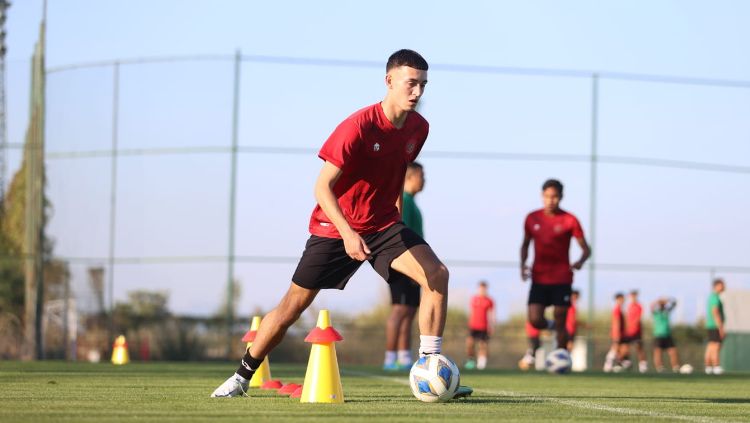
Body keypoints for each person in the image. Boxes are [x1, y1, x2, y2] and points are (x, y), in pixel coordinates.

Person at [210, 49, 471, 398]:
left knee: (437, 275)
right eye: (411, 83)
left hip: (383, 227)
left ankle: (430, 366)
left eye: (424, 85)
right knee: (292, 307)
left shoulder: (418, 128)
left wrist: (396, 222)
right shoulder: (357, 127)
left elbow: (394, 176)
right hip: (335, 229)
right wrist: (348, 233)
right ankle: (241, 377)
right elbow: (321, 187)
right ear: (389, 81)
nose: (418, 93)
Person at [520, 179, 591, 352]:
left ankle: (562, 356)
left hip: (561, 279)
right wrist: (523, 265)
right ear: (542, 196)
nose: (550, 200)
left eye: (554, 197)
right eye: (547, 196)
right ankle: (551, 327)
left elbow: (586, 249)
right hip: (539, 278)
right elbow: (525, 244)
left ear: (561, 197)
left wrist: (580, 262)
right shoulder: (532, 218)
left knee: (561, 319)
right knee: (535, 320)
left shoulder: (570, 220)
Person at [383, 162, 425, 370]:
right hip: (402, 263)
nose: (424, 180)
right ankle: (390, 358)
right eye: (421, 176)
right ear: (410, 177)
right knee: (399, 309)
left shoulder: (413, 203)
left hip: (415, 265)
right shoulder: (404, 202)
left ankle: (405, 357)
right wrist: (411, 267)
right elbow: (402, 235)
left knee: (409, 310)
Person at [651, 297, 690, 373]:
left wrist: (667, 300)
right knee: (658, 352)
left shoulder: (666, 311)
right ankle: (659, 368)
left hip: (667, 335)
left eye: (663, 304)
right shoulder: (656, 312)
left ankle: (675, 367)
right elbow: (651, 306)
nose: (663, 305)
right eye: (661, 304)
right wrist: (658, 301)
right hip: (658, 335)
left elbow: (674, 303)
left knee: (673, 351)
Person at [465, 281, 495, 370]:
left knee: (483, 345)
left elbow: (491, 314)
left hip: (484, 327)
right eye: (481, 288)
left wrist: (492, 326)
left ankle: (481, 365)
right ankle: (470, 360)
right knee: (469, 343)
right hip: (473, 326)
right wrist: (469, 323)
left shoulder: (489, 300)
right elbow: (471, 312)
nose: (482, 290)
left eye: (484, 289)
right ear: (478, 289)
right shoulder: (474, 299)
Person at [704, 278, 726, 375]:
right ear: (716, 286)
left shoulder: (712, 296)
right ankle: (716, 366)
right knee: (716, 346)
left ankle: (708, 367)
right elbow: (715, 311)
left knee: (711, 346)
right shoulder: (715, 297)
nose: (724, 287)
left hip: (711, 325)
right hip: (714, 325)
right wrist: (720, 327)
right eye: (722, 285)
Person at [623, 290, 648, 373]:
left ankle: (643, 366)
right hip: (628, 332)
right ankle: (626, 363)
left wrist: (634, 326)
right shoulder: (629, 306)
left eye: (634, 296)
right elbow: (627, 318)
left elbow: (638, 319)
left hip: (636, 332)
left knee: (639, 348)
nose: (632, 298)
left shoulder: (639, 306)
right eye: (631, 296)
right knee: (625, 348)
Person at [604, 293, 625, 372]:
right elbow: (616, 322)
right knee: (615, 349)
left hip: (619, 333)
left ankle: (618, 365)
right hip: (617, 333)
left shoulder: (619, 309)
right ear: (617, 299)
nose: (623, 301)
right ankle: (608, 365)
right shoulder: (617, 309)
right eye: (621, 299)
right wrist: (616, 334)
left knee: (618, 350)